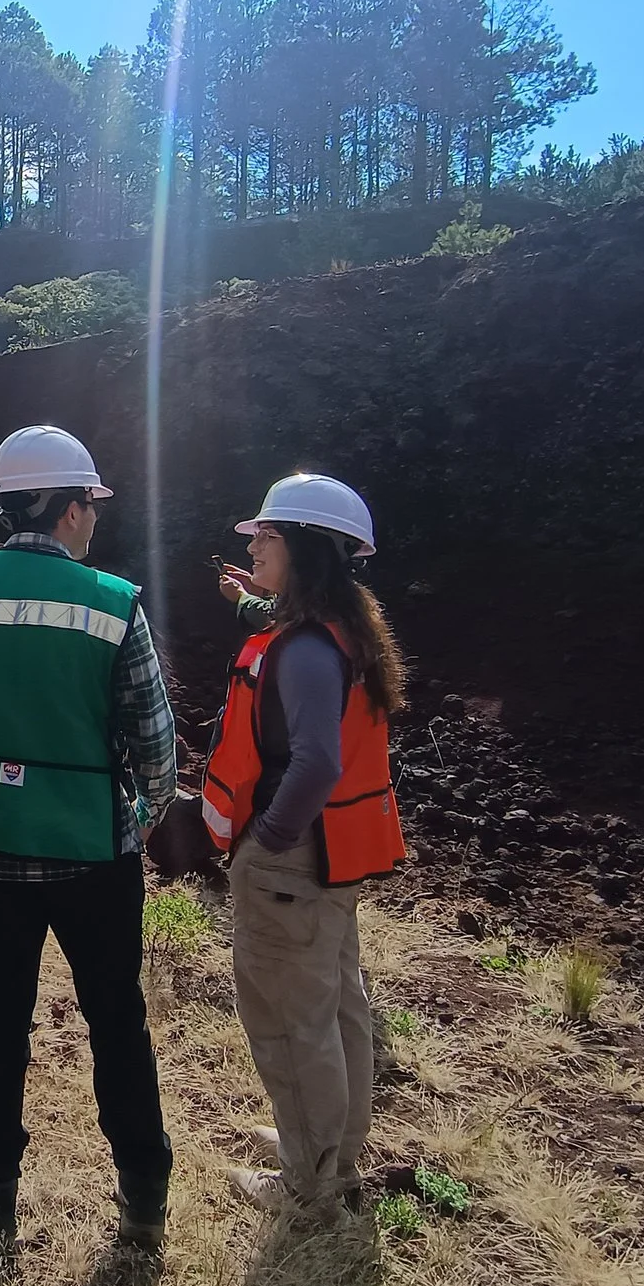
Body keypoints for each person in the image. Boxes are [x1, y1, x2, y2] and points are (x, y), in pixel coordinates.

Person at [0, 425, 180, 1255]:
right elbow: (156, 744)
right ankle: (143, 1199)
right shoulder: (114, 603)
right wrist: (142, 814)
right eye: (89, 503)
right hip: (94, 852)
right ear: (67, 508)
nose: (94, 517)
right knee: (116, 1021)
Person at [205, 472, 410, 1215]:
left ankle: (308, 1186)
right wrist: (246, 601)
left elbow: (316, 761)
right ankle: (329, 1152)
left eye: (267, 534)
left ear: (304, 547)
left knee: (290, 1025)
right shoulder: (338, 627)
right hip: (332, 855)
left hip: (290, 862)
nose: (254, 544)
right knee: (337, 1009)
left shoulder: (305, 652)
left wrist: (268, 839)